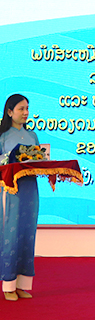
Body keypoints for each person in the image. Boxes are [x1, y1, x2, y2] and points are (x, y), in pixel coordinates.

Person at [0, 94, 39, 301]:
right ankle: (8, 285)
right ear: (9, 112)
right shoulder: (2, 136)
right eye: (21, 109)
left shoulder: (32, 136)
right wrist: (11, 158)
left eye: (27, 109)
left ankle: (23, 284)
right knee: (10, 234)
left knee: (27, 233)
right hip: (10, 191)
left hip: (30, 190)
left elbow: (39, 160)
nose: (26, 113)